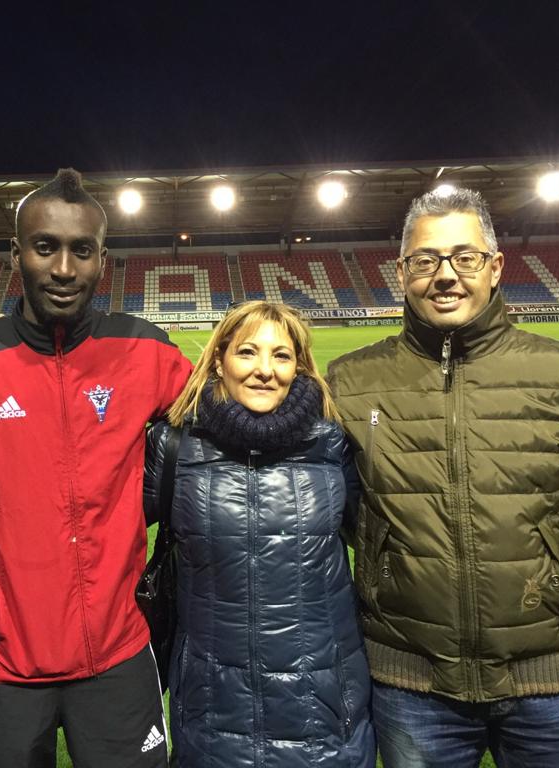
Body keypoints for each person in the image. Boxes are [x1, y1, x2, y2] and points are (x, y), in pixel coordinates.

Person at [0, 168, 193, 768]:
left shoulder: (148, 352)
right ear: (16, 254)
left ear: (103, 260)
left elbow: (233, 421)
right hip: (3, 663)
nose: (63, 268)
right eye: (45, 247)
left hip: (118, 652)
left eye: (81, 250)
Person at [327, 188, 559, 768]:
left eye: (465, 257)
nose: (445, 275)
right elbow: (343, 510)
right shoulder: (348, 381)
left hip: (554, 681)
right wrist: (388, 564)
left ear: (495, 266)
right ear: (401, 272)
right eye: (425, 260)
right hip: (412, 684)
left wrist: (553, 570)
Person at [144, 301, 375, 767]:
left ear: (299, 366)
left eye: (281, 355)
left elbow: (373, 539)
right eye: (247, 352)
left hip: (324, 715)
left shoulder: (334, 444)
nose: (265, 370)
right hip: (211, 713)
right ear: (219, 360)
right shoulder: (174, 446)